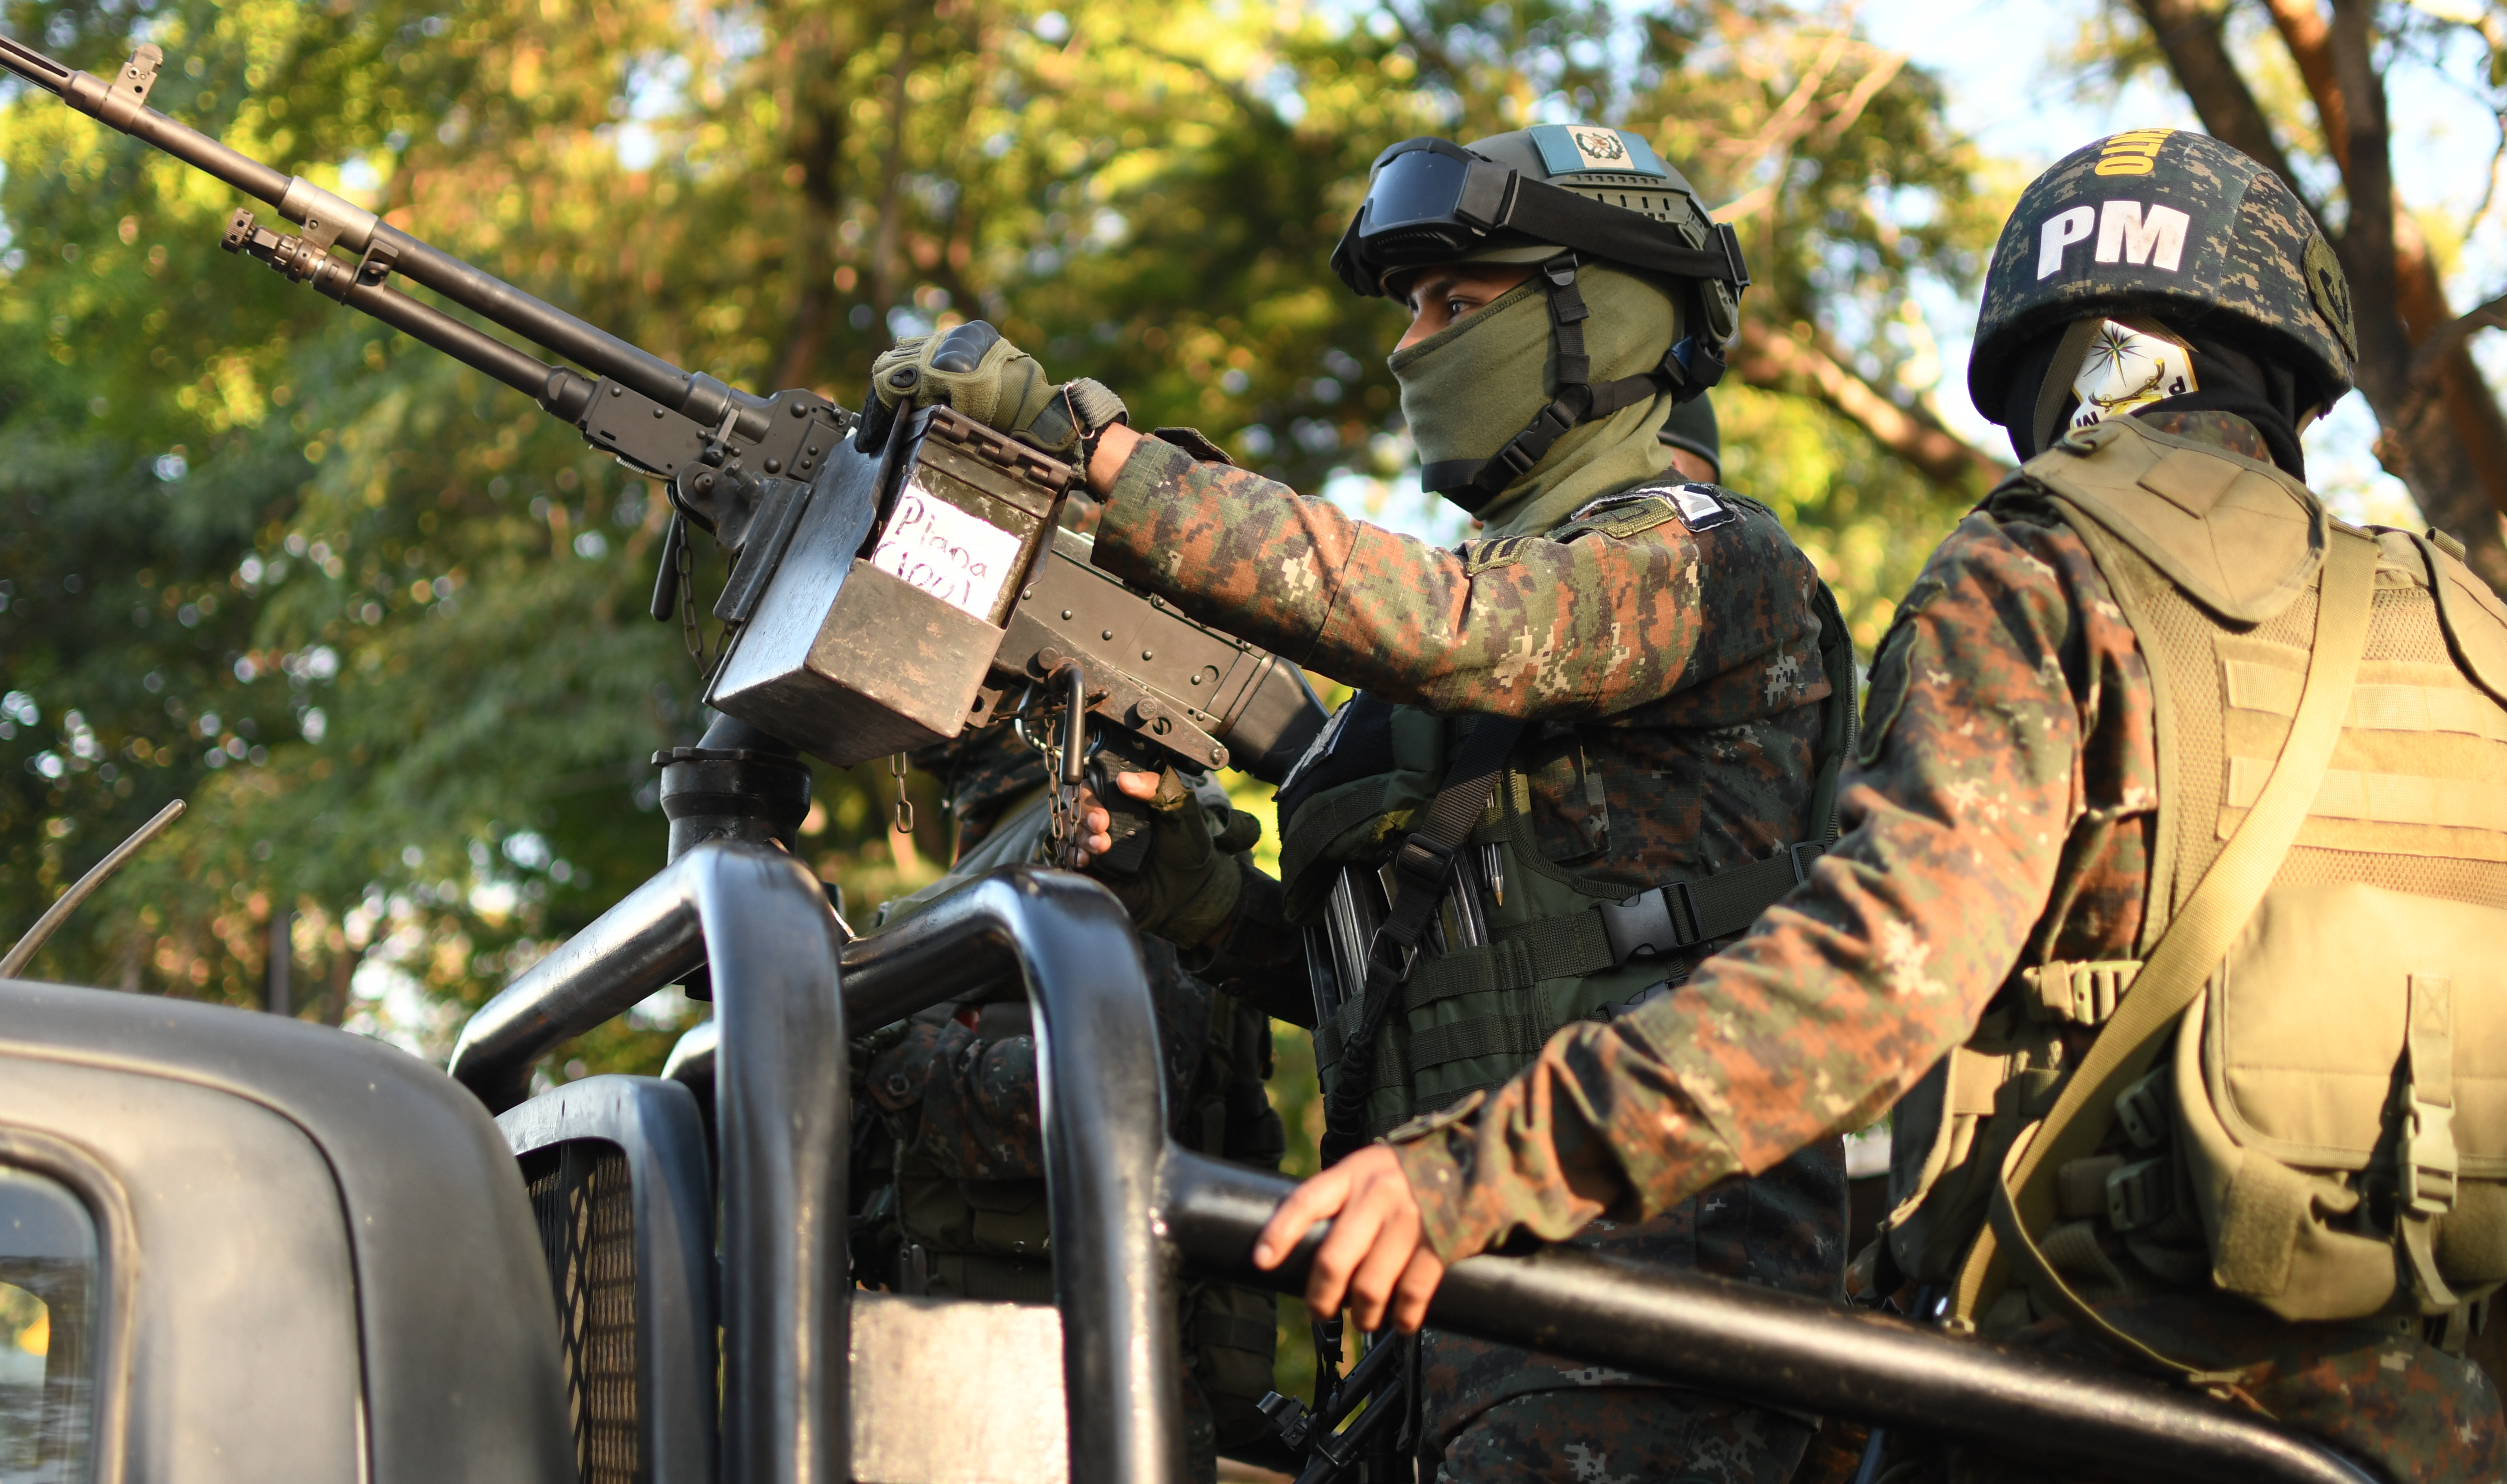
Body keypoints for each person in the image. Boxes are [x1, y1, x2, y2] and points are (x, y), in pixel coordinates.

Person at [1246, 128, 2507, 1483]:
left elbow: (1871, 983)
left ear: (2052, 364)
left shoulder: (2045, 568)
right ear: (2293, 364)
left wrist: (1473, 1172)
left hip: (2083, 1404)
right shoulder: (2469, 632)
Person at [868, 124, 1860, 1483]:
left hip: (1653, 1296)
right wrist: (1196, 895)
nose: (1412, 346)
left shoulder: (1704, 561)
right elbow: (1412, 993)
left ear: (1602, 315)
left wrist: (1103, 459)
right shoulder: (1460, 670)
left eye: (1458, 303)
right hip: (1445, 1323)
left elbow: (1467, 628)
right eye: (1411, 312)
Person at [848, 717, 1288, 1482]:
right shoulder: (1021, 829)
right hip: (978, 1373)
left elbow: (1118, 1098)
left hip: (1075, 1396)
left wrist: (883, 1056)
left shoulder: (1108, 820)